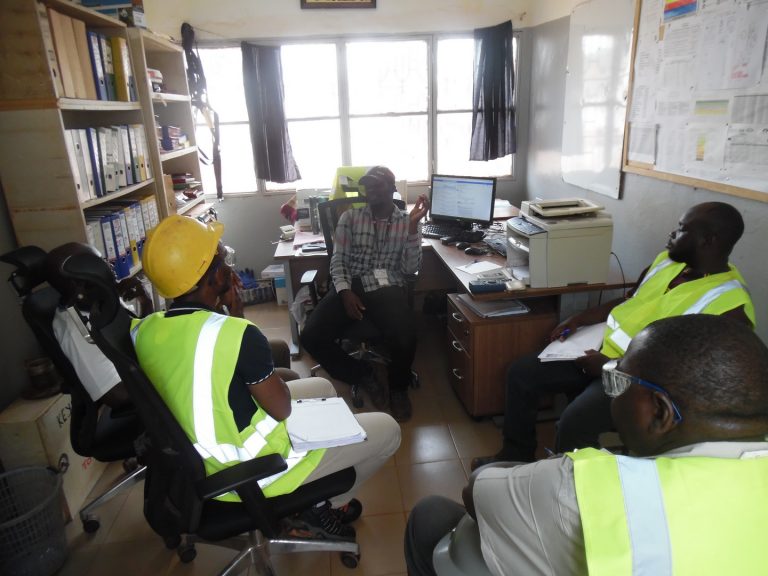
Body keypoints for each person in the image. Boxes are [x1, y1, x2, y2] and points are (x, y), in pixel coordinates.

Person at [405, 314, 768, 575]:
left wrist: (519, 470)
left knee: (432, 515)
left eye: (620, 381)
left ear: (659, 411)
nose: (613, 394)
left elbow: (475, 493)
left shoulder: (585, 486)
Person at [133, 215, 401, 540]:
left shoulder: (144, 330)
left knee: (322, 386)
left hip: (197, 456)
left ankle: (314, 503)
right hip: (252, 470)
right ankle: (319, 508)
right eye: (222, 261)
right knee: (388, 430)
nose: (228, 267)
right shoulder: (236, 334)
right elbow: (281, 409)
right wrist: (236, 317)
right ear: (213, 277)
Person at [472, 201, 755, 469]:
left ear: (708, 241)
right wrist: (578, 320)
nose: (672, 233)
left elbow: (691, 376)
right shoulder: (666, 263)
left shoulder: (729, 306)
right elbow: (629, 301)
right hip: (597, 351)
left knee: (574, 423)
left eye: (681, 229)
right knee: (521, 373)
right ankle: (516, 455)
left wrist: (611, 367)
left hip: (639, 382)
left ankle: (572, 485)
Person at [45, 242, 300, 408]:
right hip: (170, 395)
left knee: (277, 350)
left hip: (165, 368)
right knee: (286, 378)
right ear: (81, 279)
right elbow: (117, 395)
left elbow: (137, 337)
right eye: (101, 263)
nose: (110, 267)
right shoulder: (75, 329)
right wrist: (177, 377)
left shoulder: (101, 302)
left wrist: (144, 302)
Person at [300, 165, 430, 422]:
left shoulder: (407, 221)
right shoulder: (350, 218)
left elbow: (409, 269)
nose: (370, 190)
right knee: (311, 336)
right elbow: (338, 260)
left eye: (377, 184)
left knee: (406, 337)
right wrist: (345, 292)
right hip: (352, 283)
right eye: (367, 185)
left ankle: (398, 389)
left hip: (388, 286)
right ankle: (362, 374)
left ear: (392, 188)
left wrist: (413, 228)